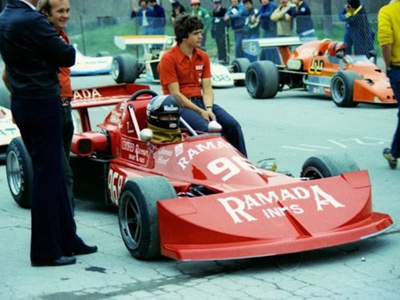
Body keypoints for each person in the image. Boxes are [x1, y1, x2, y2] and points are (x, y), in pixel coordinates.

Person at [0, 0, 97, 267]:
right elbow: (67, 56)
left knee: (52, 175)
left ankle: (67, 238)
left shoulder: (6, 16)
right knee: (48, 178)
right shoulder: (33, 20)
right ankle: (45, 250)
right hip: (42, 102)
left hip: (23, 100)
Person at [157, 15, 247, 157]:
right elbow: (175, 95)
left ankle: (244, 165)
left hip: (201, 103)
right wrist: (201, 112)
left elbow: (207, 88)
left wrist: (209, 109)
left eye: (200, 32)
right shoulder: (168, 59)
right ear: (183, 37)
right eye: (195, 33)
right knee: (209, 131)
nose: (201, 36)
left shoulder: (203, 56)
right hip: (178, 107)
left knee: (233, 125)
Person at [37, 0, 75, 212]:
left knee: (63, 170)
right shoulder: (43, 38)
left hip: (65, 106)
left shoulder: (61, 35)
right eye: (60, 11)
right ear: (46, 14)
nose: (66, 15)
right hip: (52, 108)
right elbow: (8, 76)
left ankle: (63, 225)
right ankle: (66, 228)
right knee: (63, 172)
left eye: (68, 10)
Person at [378, 0, 400, 169]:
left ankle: (393, 153)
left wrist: (388, 64)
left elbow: (386, 42)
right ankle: (394, 152)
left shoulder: (387, 11)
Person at [211, 0, 229, 64]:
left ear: (220, 3)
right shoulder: (214, 11)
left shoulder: (224, 10)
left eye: (217, 3)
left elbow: (226, 21)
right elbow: (213, 22)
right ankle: (220, 59)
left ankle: (225, 59)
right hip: (217, 31)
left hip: (222, 31)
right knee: (218, 45)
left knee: (223, 45)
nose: (215, 5)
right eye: (214, 3)